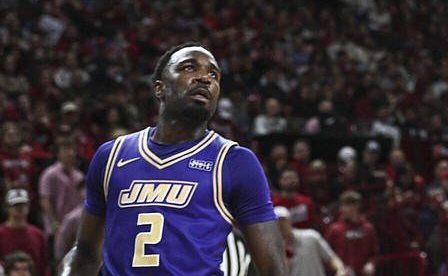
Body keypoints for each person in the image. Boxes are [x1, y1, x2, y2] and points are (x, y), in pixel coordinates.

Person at [60, 42, 288, 276]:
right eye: (189, 68)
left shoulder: (234, 161)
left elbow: (273, 268)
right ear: (160, 88)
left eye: (213, 74)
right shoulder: (111, 156)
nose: (204, 78)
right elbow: (85, 253)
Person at [275, 206, 349, 276]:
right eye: (277, 223)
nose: (281, 225)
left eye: (283, 221)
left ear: (290, 221)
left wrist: (340, 270)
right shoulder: (272, 249)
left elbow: (331, 259)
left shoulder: (311, 236)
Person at [322, 192, 376, 276]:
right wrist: (338, 268)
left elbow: (374, 253)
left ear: (356, 206)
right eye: (342, 206)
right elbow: (326, 254)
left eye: (346, 206)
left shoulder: (368, 228)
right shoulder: (334, 229)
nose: (342, 210)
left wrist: (371, 264)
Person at [0, 188, 48, 276]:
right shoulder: (1, 233)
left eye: (23, 204)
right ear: (7, 208)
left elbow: (43, 266)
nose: (20, 208)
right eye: (15, 205)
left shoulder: (38, 235)